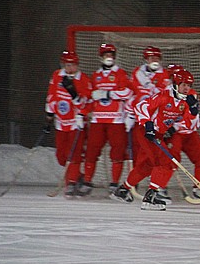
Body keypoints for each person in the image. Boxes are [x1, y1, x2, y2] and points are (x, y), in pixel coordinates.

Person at [111, 67, 200, 210]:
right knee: (164, 161)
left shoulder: (187, 103)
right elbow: (141, 106)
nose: (186, 88)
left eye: (189, 85)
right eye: (183, 85)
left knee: (146, 166)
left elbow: (191, 127)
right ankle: (150, 197)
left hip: (158, 134)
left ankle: (123, 190)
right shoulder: (164, 96)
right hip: (146, 132)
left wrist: (194, 112)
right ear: (176, 84)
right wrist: (148, 124)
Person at [77, 43, 133, 196]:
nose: (109, 57)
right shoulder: (95, 75)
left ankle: (114, 183)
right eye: (106, 55)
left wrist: (108, 94)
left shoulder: (121, 73)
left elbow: (128, 92)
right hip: (98, 120)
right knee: (91, 151)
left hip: (116, 120)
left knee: (117, 153)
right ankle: (87, 181)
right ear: (101, 57)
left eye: (111, 55)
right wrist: (82, 113)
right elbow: (90, 98)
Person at [44, 50, 87, 197]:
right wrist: (49, 116)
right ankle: (78, 176)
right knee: (61, 156)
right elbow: (51, 95)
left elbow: (87, 101)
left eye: (73, 65)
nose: (70, 68)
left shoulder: (82, 79)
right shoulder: (57, 75)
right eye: (67, 65)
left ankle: (71, 183)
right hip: (61, 122)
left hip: (75, 122)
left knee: (73, 155)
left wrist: (81, 111)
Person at [127, 46, 167, 169]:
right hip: (140, 117)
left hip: (155, 119)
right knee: (137, 148)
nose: (154, 60)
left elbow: (165, 95)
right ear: (146, 59)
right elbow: (132, 94)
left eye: (156, 58)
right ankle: (134, 180)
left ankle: (157, 180)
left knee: (156, 148)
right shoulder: (137, 72)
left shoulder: (164, 74)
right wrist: (129, 114)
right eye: (151, 58)